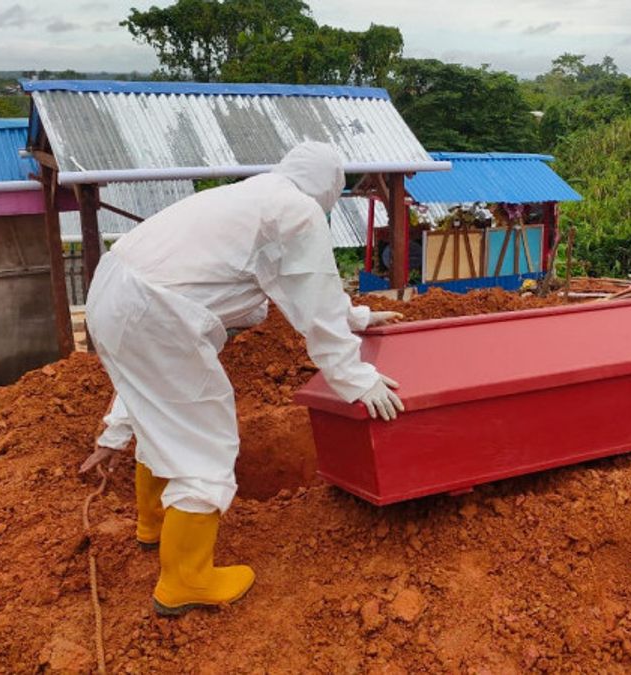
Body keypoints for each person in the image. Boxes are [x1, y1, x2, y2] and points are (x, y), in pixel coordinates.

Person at [78, 142, 404, 616]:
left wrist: (116, 431)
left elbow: (145, 377)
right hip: (158, 309)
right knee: (205, 443)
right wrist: (355, 377)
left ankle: (151, 524)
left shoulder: (251, 198)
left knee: (165, 420)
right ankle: (186, 581)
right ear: (329, 186)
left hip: (113, 291)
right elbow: (311, 292)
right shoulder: (296, 212)